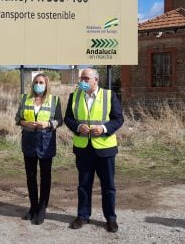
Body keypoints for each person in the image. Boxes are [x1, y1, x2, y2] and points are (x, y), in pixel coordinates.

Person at [64, 68, 124, 233]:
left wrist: (104, 128)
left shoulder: (109, 95)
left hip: (105, 149)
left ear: (96, 80)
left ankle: (110, 218)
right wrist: (77, 126)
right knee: (83, 185)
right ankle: (83, 216)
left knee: (108, 186)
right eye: (81, 79)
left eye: (86, 78)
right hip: (83, 149)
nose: (82, 81)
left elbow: (119, 119)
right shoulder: (74, 96)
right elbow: (68, 118)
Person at [15, 73, 63, 225]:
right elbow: (17, 118)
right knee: (30, 176)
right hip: (28, 142)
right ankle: (33, 207)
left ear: (46, 84)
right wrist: (24, 123)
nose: (38, 84)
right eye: (36, 82)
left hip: (46, 142)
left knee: (45, 177)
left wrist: (48, 124)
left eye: (41, 82)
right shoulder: (25, 99)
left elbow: (59, 120)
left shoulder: (54, 100)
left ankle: (42, 208)